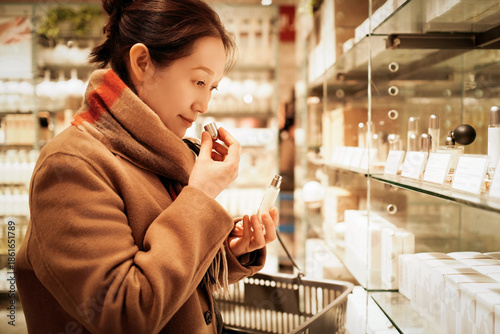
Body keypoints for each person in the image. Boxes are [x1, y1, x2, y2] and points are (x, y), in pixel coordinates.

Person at [15, 0, 279, 333]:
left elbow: (168, 278)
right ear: (142, 63)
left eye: (212, 88)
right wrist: (201, 194)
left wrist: (228, 250)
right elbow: (123, 314)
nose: (204, 104)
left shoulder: (159, 154)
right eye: (198, 82)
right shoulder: (71, 165)